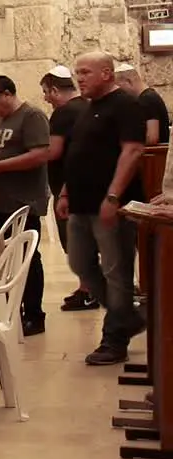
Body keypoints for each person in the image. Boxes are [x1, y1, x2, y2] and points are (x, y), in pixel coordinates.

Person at [59, 51, 146, 366]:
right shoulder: (86, 109)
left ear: (107, 73)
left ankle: (115, 339)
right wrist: (66, 192)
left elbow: (133, 150)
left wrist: (113, 197)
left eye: (85, 72)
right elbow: (78, 154)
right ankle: (130, 318)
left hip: (110, 205)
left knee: (115, 271)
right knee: (80, 264)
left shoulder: (126, 105)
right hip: (81, 204)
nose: (79, 78)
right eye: (77, 72)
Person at [0, 75, 51, 337]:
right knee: (6, 259)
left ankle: (34, 315)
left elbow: (40, 155)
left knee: (27, 258)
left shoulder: (32, 117)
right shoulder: (1, 120)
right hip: (1, 201)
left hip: (22, 200)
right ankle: (13, 310)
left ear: (7, 94)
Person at [39, 66, 98, 312]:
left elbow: (57, 152)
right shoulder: (89, 107)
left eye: (45, 92)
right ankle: (88, 288)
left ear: (55, 90)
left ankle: (89, 291)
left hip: (70, 187)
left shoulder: (63, 114)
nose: (45, 98)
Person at [115, 62, 169, 146]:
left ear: (129, 81)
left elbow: (152, 138)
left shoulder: (147, 99)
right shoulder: (148, 96)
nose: (119, 92)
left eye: (119, 86)